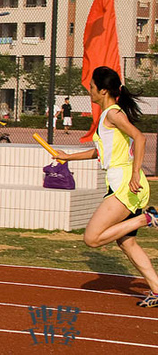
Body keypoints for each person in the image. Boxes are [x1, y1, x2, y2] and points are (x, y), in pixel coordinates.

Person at [53, 66, 158, 308]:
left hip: (125, 184)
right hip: (123, 182)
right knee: (127, 243)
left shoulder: (112, 114)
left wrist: (133, 174)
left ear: (102, 90)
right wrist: (68, 156)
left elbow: (140, 137)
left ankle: (147, 218)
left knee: (91, 238)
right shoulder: (107, 116)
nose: (89, 90)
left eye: (91, 87)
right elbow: (101, 153)